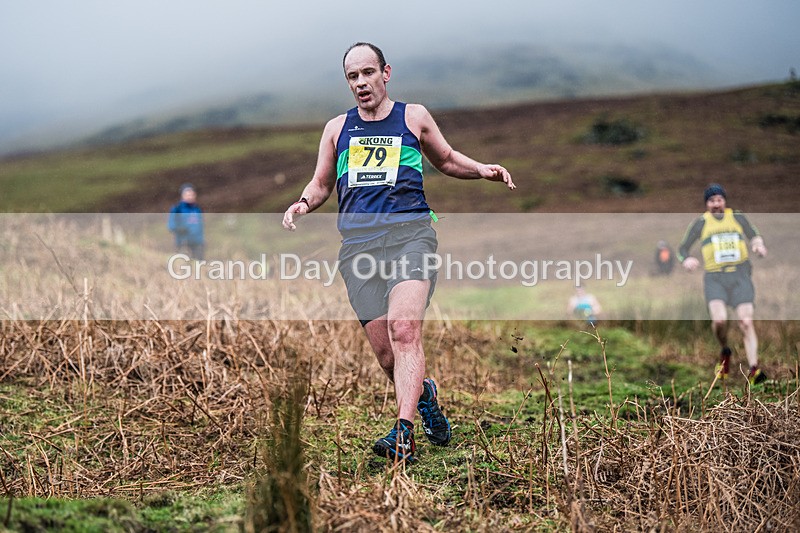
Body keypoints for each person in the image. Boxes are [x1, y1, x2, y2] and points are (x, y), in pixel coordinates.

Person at [282, 42, 515, 463]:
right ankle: (423, 393)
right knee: (387, 354)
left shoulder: (413, 117)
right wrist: (302, 203)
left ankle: (403, 433)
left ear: (385, 73)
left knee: (405, 331)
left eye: (367, 73)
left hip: (411, 237)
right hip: (358, 250)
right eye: (352, 77)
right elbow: (321, 183)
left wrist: (482, 169)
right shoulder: (337, 129)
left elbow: (445, 160)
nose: (360, 83)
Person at [677, 183, 768, 385]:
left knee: (745, 321)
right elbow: (682, 248)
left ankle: (754, 369)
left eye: (719, 200)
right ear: (707, 204)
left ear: (724, 201)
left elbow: (754, 235)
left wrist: (758, 245)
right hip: (715, 278)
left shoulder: (737, 217)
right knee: (719, 321)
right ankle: (725, 351)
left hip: (740, 275)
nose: (716, 204)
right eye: (712, 201)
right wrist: (686, 260)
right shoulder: (701, 223)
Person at [168, 183, 205, 260]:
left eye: (191, 194)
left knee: (199, 266)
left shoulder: (197, 209)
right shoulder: (177, 209)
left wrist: (202, 241)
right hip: (184, 244)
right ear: (182, 196)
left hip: (197, 244)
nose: (190, 197)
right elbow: (171, 226)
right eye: (187, 194)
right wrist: (180, 229)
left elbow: (199, 226)